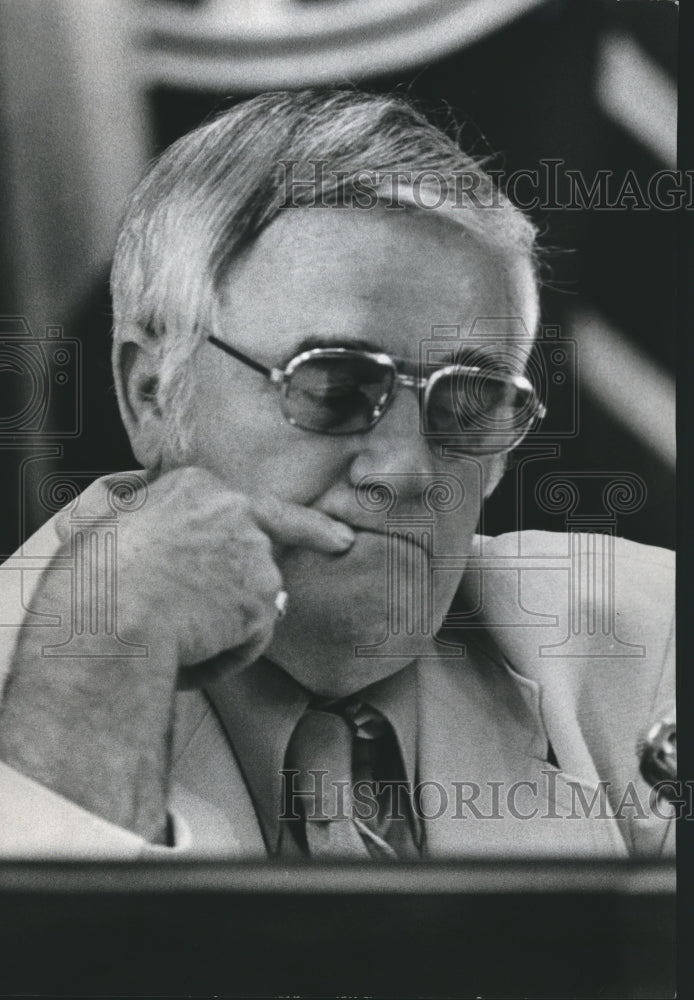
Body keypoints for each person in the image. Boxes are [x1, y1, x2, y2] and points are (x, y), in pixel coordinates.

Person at [0, 90, 674, 860]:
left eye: (469, 403)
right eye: (335, 387)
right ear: (153, 393)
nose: (409, 468)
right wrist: (97, 670)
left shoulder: (651, 650)